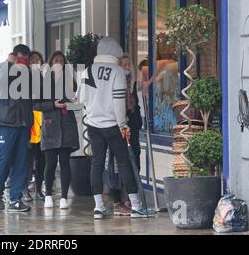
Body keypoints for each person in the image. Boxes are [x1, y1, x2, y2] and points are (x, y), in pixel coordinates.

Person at [78, 36, 156, 219]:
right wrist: (123, 124)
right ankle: (136, 206)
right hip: (114, 126)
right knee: (124, 162)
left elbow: (80, 99)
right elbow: (118, 102)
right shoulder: (117, 72)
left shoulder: (88, 71)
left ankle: (98, 207)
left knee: (97, 163)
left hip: (93, 125)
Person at [33, 51, 79, 210]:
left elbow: (76, 100)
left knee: (65, 162)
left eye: (61, 60)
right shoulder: (43, 82)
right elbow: (36, 104)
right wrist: (53, 105)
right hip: (50, 125)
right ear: (51, 63)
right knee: (50, 163)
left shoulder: (70, 81)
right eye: (56, 60)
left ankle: (64, 197)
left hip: (67, 126)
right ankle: (48, 196)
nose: (58, 63)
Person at [0, 44, 33, 212]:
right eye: (21, 58)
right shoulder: (2, 68)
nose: (24, 62)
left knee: (21, 162)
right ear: (14, 56)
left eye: (26, 59)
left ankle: (16, 199)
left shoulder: (29, 74)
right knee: (4, 160)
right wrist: (9, 64)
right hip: (5, 123)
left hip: (23, 123)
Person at [105, 54, 144, 216]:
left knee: (135, 161)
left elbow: (136, 108)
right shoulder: (114, 86)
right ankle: (117, 201)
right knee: (117, 165)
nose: (127, 68)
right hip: (118, 130)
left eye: (129, 65)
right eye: (124, 65)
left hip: (132, 131)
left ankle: (131, 198)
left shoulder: (133, 87)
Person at [23, 51, 46, 202]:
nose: (35, 64)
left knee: (41, 157)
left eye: (38, 61)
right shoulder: (23, 79)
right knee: (27, 157)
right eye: (33, 61)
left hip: (41, 121)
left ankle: (38, 189)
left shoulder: (43, 79)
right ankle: (24, 189)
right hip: (29, 121)